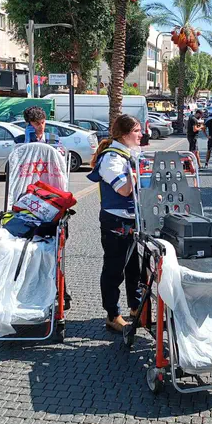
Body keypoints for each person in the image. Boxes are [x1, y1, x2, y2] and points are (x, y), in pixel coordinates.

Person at [86, 115, 143, 332]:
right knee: (114, 268)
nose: (141, 134)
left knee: (134, 267)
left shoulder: (131, 154)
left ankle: (135, 307)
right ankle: (112, 314)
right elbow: (124, 189)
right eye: (137, 131)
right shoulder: (112, 159)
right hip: (115, 220)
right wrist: (139, 174)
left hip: (132, 217)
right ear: (125, 134)